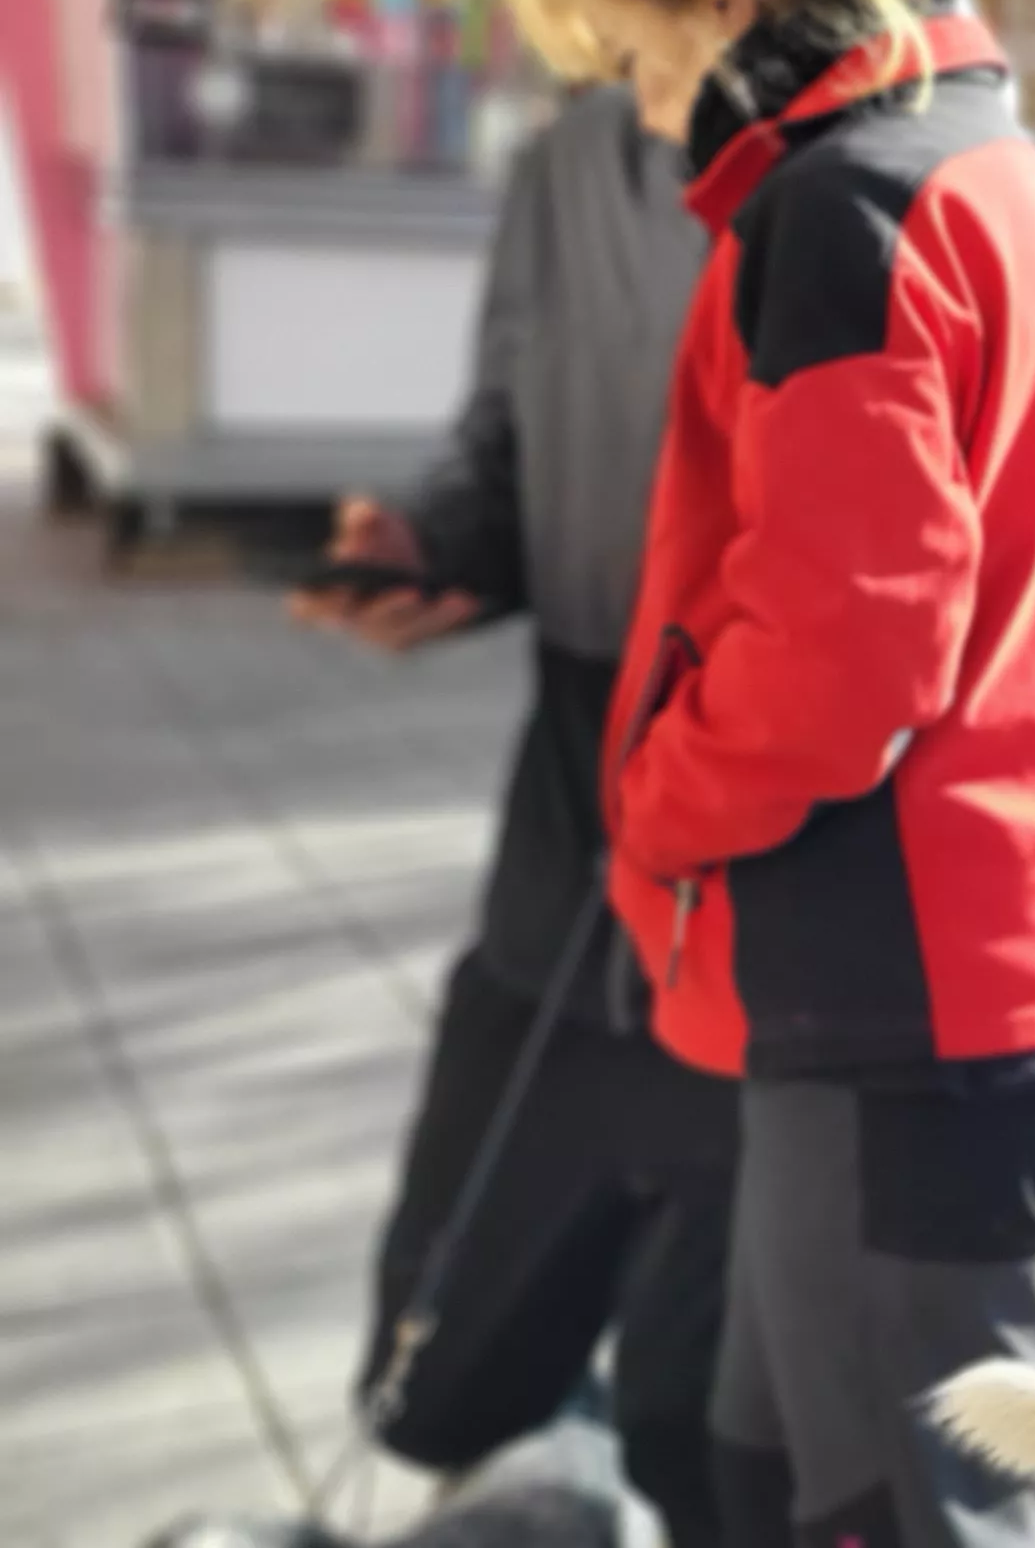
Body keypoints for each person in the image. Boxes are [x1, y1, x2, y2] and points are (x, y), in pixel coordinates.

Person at [505, 0, 1035, 1546]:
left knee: (887, 1499)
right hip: (971, 954)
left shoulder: (840, 207)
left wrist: (653, 800)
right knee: (778, 1463)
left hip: (904, 984)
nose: (642, 107)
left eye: (633, 51)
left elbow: (847, 646)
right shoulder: (998, 177)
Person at [287, 83, 736, 1548]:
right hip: (566, 867)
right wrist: (437, 548)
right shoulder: (570, 161)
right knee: (438, 1385)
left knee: (718, 1445)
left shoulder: (966, 175)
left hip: (797, 935)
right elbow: (504, 445)